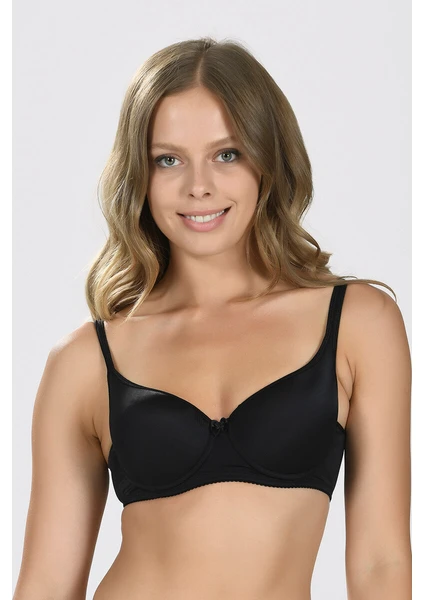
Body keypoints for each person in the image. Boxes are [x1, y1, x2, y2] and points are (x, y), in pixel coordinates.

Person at [13, 37, 412, 599]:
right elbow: (47, 584)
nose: (198, 185)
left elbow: (381, 563)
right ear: (140, 174)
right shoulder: (85, 361)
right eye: (168, 159)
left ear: (267, 160)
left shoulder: (357, 323)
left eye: (227, 154)